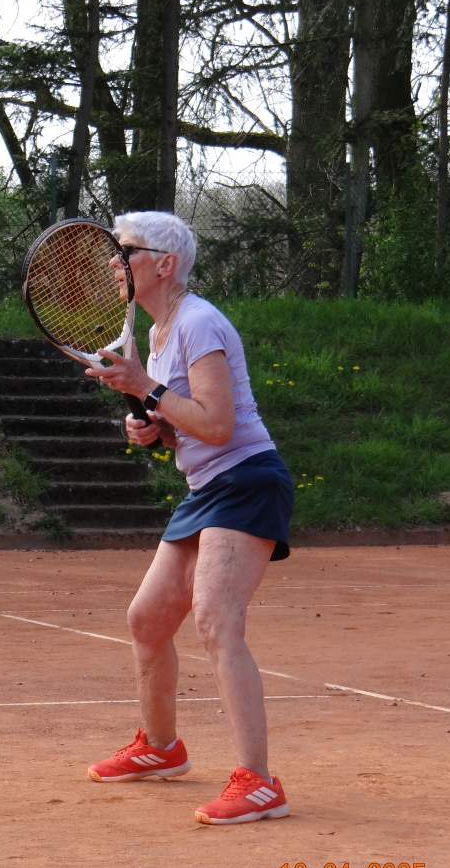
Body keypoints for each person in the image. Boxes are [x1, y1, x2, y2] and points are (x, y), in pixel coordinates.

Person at [84, 211, 294, 825]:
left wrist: (147, 389)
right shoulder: (158, 333)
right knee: (147, 620)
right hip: (208, 486)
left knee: (216, 620)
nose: (114, 262)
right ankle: (161, 747)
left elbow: (222, 426)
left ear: (164, 263)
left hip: (247, 479)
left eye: (125, 251)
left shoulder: (199, 322)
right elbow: (191, 427)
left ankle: (259, 783)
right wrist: (158, 430)